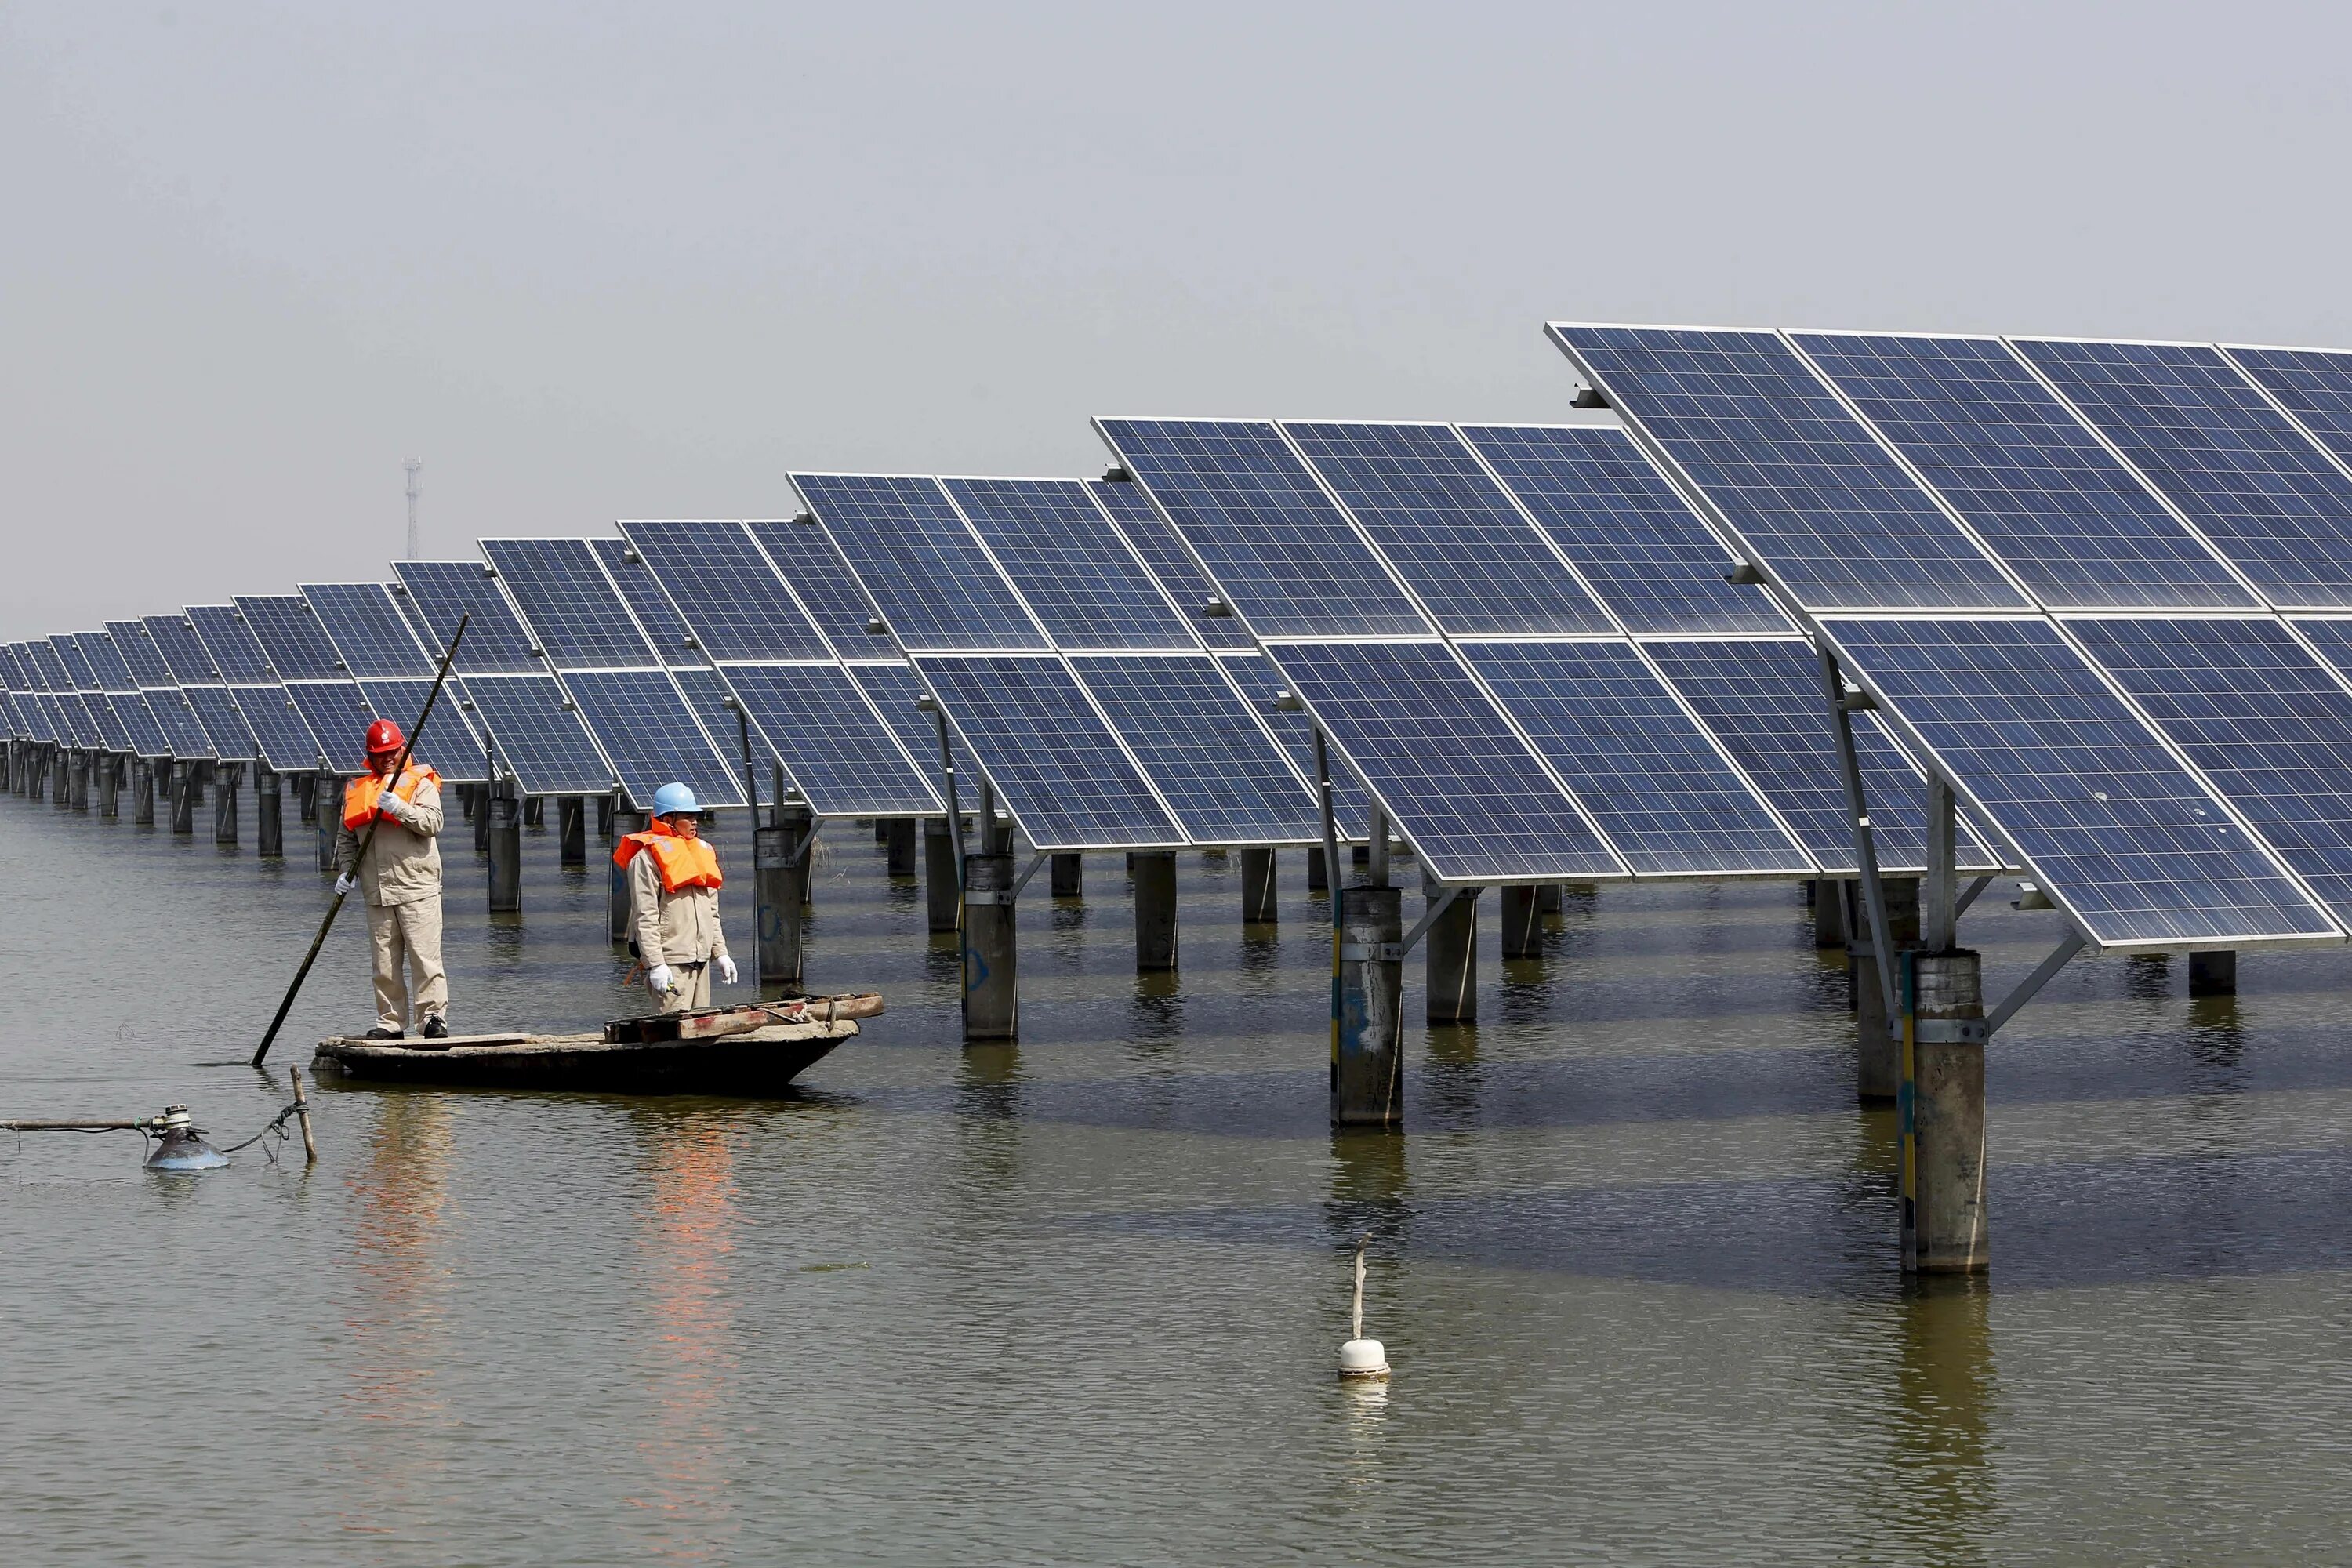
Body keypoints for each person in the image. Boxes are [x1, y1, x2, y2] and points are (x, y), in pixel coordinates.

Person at [333, 718, 449, 1040]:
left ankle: (432, 1020)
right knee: (384, 964)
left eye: (392, 752)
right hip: (377, 891)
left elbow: (432, 823)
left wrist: (400, 808)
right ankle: (391, 1022)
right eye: (380, 753)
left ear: (403, 750)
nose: (387, 759)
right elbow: (345, 837)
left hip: (417, 888)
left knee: (425, 959)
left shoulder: (420, 785)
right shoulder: (357, 789)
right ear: (369, 756)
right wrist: (346, 870)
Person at [615, 782, 735, 1012]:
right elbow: (645, 916)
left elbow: (712, 912)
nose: (695, 822)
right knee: (670, 1035)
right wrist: (656, 964)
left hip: (701, 962)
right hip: (671, 963)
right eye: (688, 816)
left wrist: (720, 953)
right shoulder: (646, 859)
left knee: (700, 1032)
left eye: (696, 816)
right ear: (668, 819)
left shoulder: (703, 852)